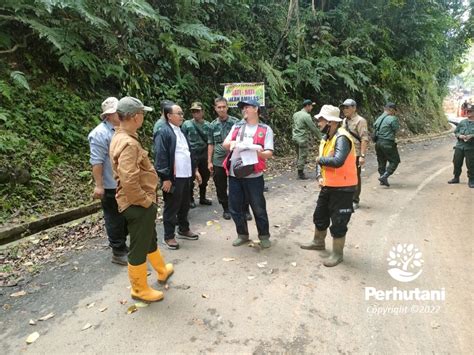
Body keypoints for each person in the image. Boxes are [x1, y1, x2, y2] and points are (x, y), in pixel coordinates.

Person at [110, 96, 173, 302]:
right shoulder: (128, 143)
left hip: (139, 201)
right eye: (142, 114)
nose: (143, 117)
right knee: (138, 246)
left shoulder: (121, 135)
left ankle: (162, 270)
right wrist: (144, 201)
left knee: (149, 237)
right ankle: (139, 289)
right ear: (136, 116)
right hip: (136, 204)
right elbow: (128, 178)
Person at [300, 105, 357, 267]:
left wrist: (319, 161)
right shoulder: (326, 138)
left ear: (331, 122)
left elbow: (337, 161)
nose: (318, 122)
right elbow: (322, 157)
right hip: (328, 186)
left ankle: (337, 254)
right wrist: (319, 175)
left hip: (344, 188)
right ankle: (318, 242)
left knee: (339, 222)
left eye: (321, 120)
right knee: (320, 215)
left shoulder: (342, 138)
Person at [223, 99, 274, 248]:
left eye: (247, 107)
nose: (244, 110)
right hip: (235, 174)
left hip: (254, 176)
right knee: (235, 207)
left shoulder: (265, 129)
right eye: (242, 108)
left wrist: (257, 152)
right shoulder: (237, 126)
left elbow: (269, 152)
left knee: (258, 206)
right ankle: (242, 234)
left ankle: (264, 236)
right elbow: (225, 144)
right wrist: (232, 144)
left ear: (256, 109)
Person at [154, 103, 202, 250]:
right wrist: (165, 177)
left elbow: (188, 153)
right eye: (179, 114)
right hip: (173, 177)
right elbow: (160, 155)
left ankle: (183, 228)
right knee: (171, 206)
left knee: (185, 203)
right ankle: (169, 236)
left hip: (186, 175)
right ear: (169, 116)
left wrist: (195, 171)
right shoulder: (164, 132)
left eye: (182, 113)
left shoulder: (180, 131)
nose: (182, 116)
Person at [88, 97, 128, 265]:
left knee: (126, 216)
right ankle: (118, 251)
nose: (119, 114)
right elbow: (96, 162)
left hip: (124, 182)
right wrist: (99, 186)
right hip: (111, 184)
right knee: (114, 217)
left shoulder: (122, 129)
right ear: (108, 115)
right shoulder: (99, 134)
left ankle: (123, 245)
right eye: (115, 112)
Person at [208, 97, 239, 219]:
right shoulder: (212, 125)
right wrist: (209, 161)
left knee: (237, 183)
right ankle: (226, 208)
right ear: (215, 109)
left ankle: (242, 208)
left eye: (223, 107)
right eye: (219, 107)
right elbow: (210, 143)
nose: (221, 109)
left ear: (227, 107)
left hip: (234, 157)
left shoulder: (236, 122)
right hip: (219, 160)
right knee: (220, 185)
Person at [181, 102, 212, 208]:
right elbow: (183, 139)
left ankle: (202, 197)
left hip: (203, 152)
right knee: (190, 177)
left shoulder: (208, 125)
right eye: (193, 111)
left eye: (198, 111)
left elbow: (210, 141)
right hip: (191, 153)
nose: (195, 113)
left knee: (205, 176)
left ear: (202, 112)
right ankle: (190, 199)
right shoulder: (187, 124)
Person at [340, 99, 369, 210]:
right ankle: (346, 198)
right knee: (344, 176)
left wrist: (362, 155)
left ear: (354, 108)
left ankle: (355, 200)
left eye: (347, 107)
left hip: (355, 153)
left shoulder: (360, 121)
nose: (345, 109)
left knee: (355, 176)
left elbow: (364, 139)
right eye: (344, 107)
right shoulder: (344, 121)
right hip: (344, 154)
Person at [292, 99, 322, 179]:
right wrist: (321, 138)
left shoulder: (296, 114)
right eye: (311, 106)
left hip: (295, 137)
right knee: (303, 155)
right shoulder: (306, 116)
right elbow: (313, 128)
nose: (312, 108)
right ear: (307, 106)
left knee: (299, 154)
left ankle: (299, 169)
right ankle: (300, 174)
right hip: (302, 138)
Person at [373, 102, 400, 187]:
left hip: (378, 143)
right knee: (395, 160)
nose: (394, 113)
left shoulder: (379, 118)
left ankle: (382, 178)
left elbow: (374, 126)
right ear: (391, 109)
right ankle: (385, 176)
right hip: (387, 142)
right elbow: (395, 129)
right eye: (394, 111)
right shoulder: (392, 118)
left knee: (381, 161)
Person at [448, 103, 474, 188]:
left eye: (470, 111)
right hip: (460, 146)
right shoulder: (463, 122)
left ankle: (471, 180)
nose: (468, 113)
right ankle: (456, 177)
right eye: (467, 111)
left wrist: (472, 135)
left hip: (470, 147)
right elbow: (456, 132)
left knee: (471, 164)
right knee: (457, 162)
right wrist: (459, 135)